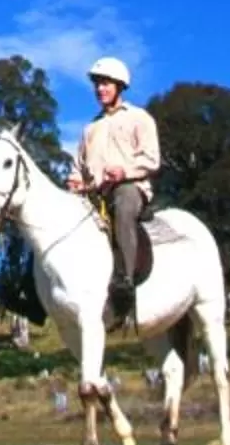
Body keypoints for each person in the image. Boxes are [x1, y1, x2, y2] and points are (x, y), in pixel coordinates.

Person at [67, 55, 160, 327]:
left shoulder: (139, 119)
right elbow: (78, 166)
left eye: (105, 83)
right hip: (95, 194)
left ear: (120, 86)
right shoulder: (89, 129)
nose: (100, 89)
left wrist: (124, 171)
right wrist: (74, 181)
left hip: (129, 187)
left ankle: (126, 281)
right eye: (97, 84)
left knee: (123, 202)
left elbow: (152, 159)